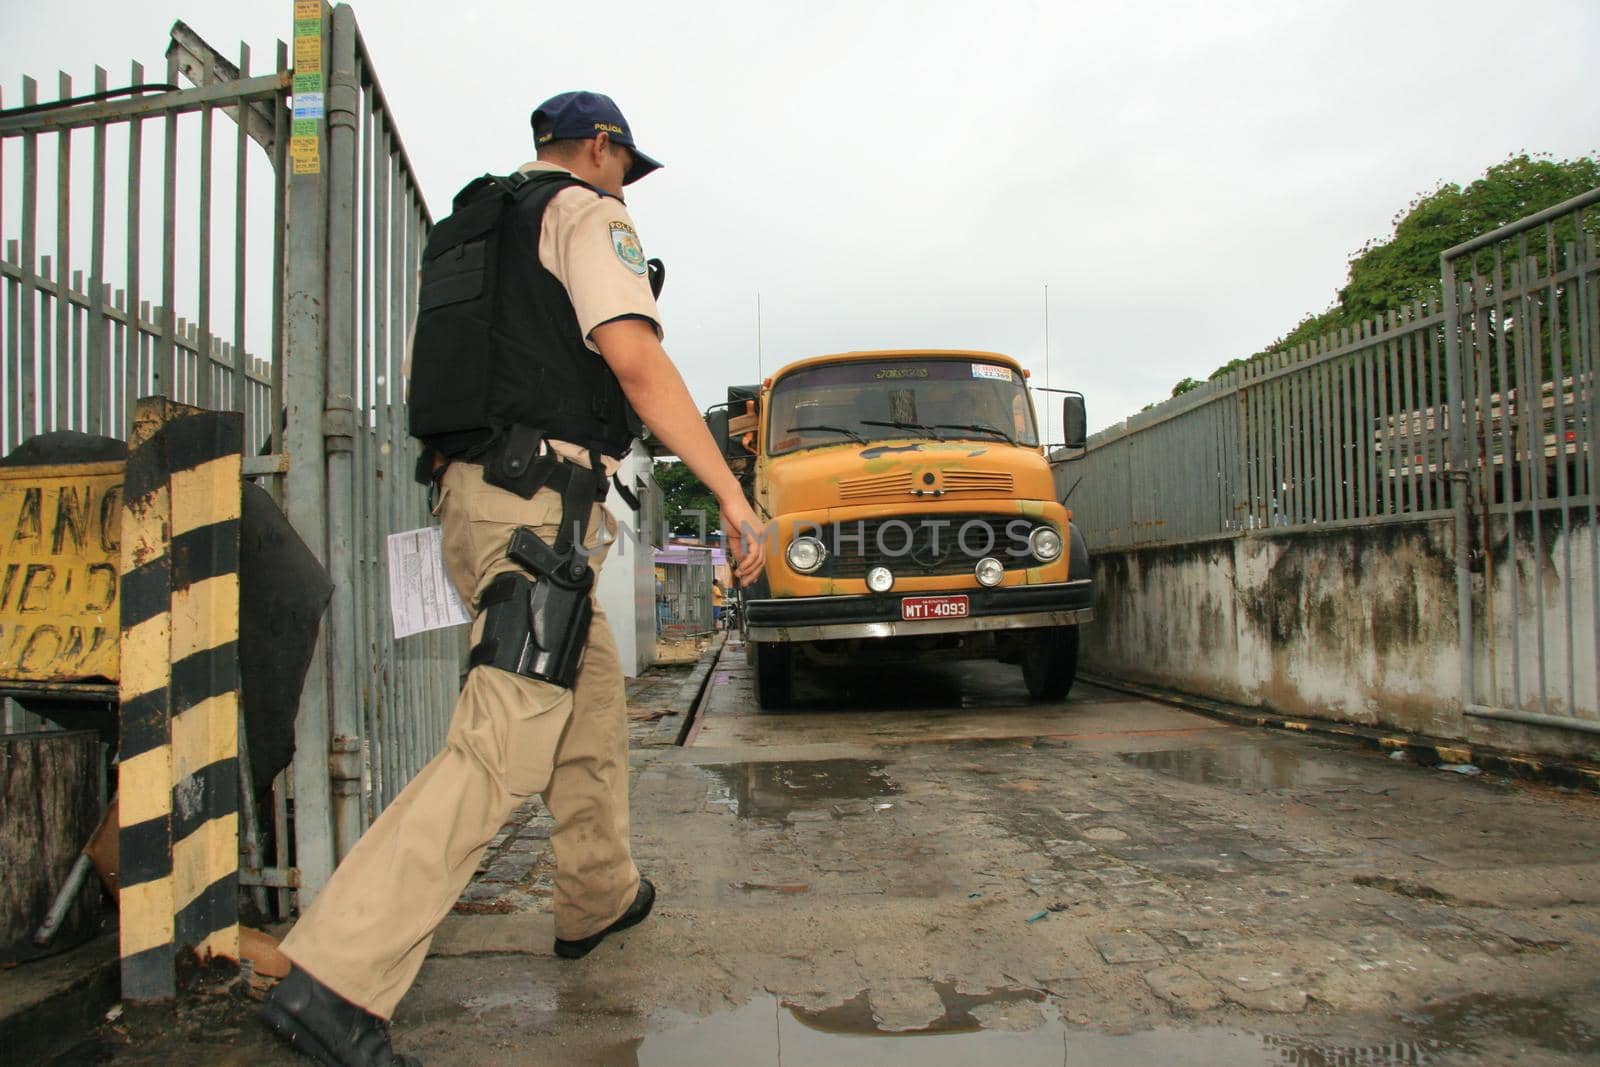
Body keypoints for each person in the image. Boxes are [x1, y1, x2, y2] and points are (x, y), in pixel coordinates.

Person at [261, 91, 765, 1067]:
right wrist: (732, 499)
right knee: (500, 747)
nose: (627, 185)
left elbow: (438, 387)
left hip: (481, 505)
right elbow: (635, 359)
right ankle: (332, 978)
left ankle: (595, 890)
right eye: (626, 165)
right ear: (600, 147)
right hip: (539, 513)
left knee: (590, 702)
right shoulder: (583, 210)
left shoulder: (468, 242)